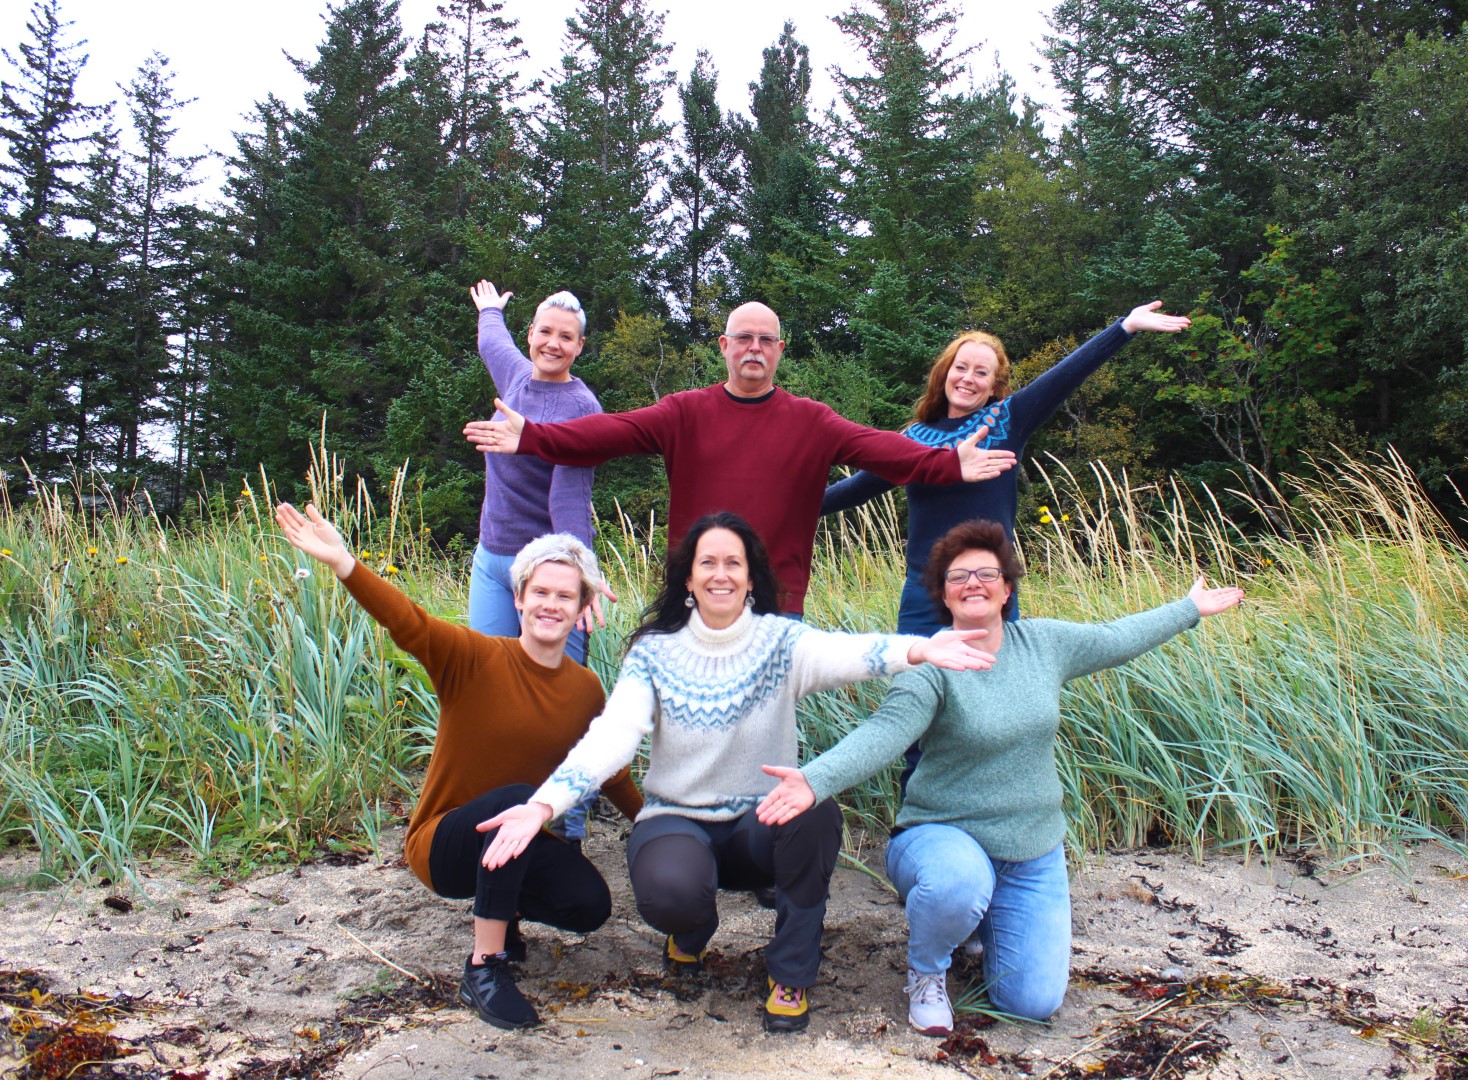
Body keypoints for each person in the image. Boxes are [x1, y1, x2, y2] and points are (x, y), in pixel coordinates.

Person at [471, 513, 997, 1034]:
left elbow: (851, 651)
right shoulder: (654, 652)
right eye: (707, 563)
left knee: (815, 812)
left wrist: (919, 648)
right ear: (688, 578)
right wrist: (543, 805)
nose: (720, 574)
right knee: (673, 894)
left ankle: (790, 975)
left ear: (750, 578)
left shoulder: (781, 643)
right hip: (676, 820)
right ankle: (691, 929)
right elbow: (613, 734)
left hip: (761, 824)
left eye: (733, 563)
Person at [755, 520, 1242, 1035]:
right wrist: (815, 780)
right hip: (942, 839)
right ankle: (927, 971)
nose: (973, 583)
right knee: (957, 884)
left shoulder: (1044, 644)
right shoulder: (931, 665)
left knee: (1031, 1001)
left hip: (1030, 851)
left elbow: (1114, 638)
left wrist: (1188, 609)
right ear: (943, 593)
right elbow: (885, 733)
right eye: (958, 576)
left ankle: (983, 919)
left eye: (987, 574)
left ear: (1007, 588)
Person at [274, 503, 643, 1032]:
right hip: (442, 843)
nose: (550, 604)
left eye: (565, 596)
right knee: (515, 799)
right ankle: (484, 966)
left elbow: (609, 771)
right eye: (540, 592)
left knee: (588, 905)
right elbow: (408, 621)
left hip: (518, 837)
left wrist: (653, 824)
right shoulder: (472, 657)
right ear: (519, 598)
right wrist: (344, 563)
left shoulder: (585, 688)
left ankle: (505, 910)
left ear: (583, 606)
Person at [820, 303, 1191, 789]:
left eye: (982, 372)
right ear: (944, 374)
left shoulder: (1005, 420)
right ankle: (921, 811)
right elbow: (854, 490)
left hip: (989, 591)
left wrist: (1124, 328)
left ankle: (995, 805)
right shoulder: (914, 438)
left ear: (995, 385)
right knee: (916, 702)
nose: (968, 379)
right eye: (961, 367)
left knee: (992, 702)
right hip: (924, 594)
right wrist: (777, 509)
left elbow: (1064, 377)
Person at [461, 301, 1019, 617]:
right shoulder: (684, 412)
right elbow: (608, 432)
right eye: (743, 338)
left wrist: (949, 463)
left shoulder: (812, 421)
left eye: (765, 340)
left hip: (776, 606)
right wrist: (533, 436)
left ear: (779, 351)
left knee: (766, 743)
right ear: (724, 346)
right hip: (694, 600)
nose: (754, 347)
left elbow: (883, 449)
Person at [467, 280, 614, 847]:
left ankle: (567, 831)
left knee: (562, 700)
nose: (553, 343)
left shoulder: (582, 409)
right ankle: (498, 808)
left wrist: (578, 573)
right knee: (489, 685)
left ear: (580, 346)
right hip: (491, 561)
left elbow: (568, 499)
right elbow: (492, 343)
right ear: (531, 334)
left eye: (566, 337)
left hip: (549, 573)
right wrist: (490, 310)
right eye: (545, 332)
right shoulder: (515, 378)